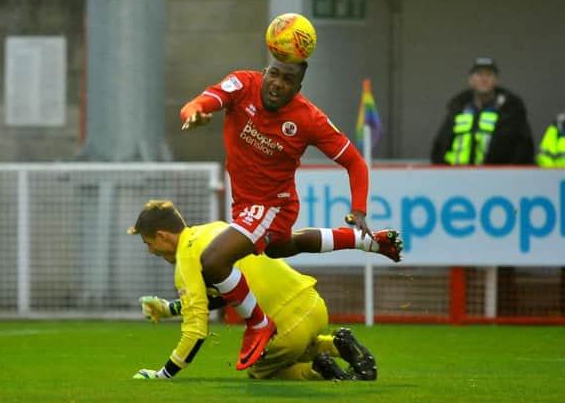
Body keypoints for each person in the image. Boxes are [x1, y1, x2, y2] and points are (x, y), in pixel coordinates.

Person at [179, 58, 403, 370]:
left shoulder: (308, 117)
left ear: (298, 88)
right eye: (274, 74)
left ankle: (258, 324)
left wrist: (359, 208)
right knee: (280, 248)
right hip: (246, 204)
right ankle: (368, 242)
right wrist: (195, 113)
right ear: (265, 72)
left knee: (214, 260)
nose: (277, 83)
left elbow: (355, 162)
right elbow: (202, 102)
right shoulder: (243, 85)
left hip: (274, 205)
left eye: (287, 79)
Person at [129, 200, 377, 381]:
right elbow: (225, 292)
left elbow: (196, 331)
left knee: (259, 371)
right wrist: (168, 308)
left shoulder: (185, 260)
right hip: (313, 304)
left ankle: (319, 370)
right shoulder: (217, 229)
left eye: (148, 244)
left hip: (286, 328)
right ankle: (338, 343)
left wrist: (164, 374)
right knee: (291, 348)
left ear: (162, 236)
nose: (151, 252)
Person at [431, 57, 534, 165]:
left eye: (489, 74)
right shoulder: (457, 109)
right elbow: (440, 148)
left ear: (496, 80)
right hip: (457, 177)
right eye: (479, 74)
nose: (484, 79)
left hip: (497, 178)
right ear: (470, 80)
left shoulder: (511, 111)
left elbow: (524, 150)